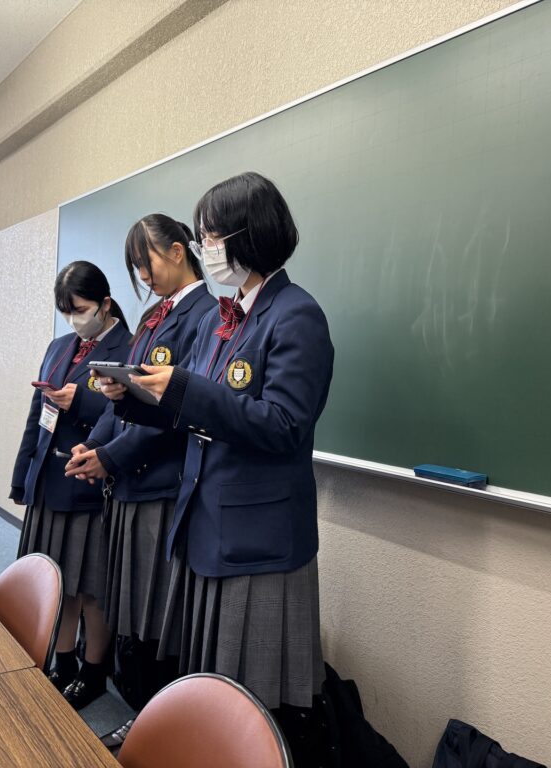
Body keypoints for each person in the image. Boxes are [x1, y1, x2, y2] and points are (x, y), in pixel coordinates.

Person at [98, 172, 334, 760]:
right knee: (208, 672)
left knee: (250, 693)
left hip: (258, 536)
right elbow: (192, 408)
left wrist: (183, 389)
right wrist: (133, 397)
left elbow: (283, 425)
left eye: (209, 235)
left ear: (247, 235)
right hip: (205, 520)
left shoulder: (296, 315)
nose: (204, 246)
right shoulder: (221, 317)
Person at [66, 213, 216, 748]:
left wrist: (112, 457)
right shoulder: (154, 317)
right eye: (135, 267)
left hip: (162, 486)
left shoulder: (207, 316)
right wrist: (96, 445)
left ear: (177, 251)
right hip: (129, 481)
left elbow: (175, 415)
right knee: (129, 606)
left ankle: (156, 724)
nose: (143, 276)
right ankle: (140, 709)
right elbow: (123, 395)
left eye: (145, 262)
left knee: (157, 615)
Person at [10, 260, 130, 710]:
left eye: (79, 310)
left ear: (104, 303)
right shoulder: (60, 346)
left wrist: (81, 400)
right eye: (66, 312)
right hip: (49, 479)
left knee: (89, 587)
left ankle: (94, 671)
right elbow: (36, 415)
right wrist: (23, 474)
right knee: (55, 579)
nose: (73, 320)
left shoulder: (129, 347)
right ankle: (62, 662)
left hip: (89, 485)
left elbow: (127, 415)